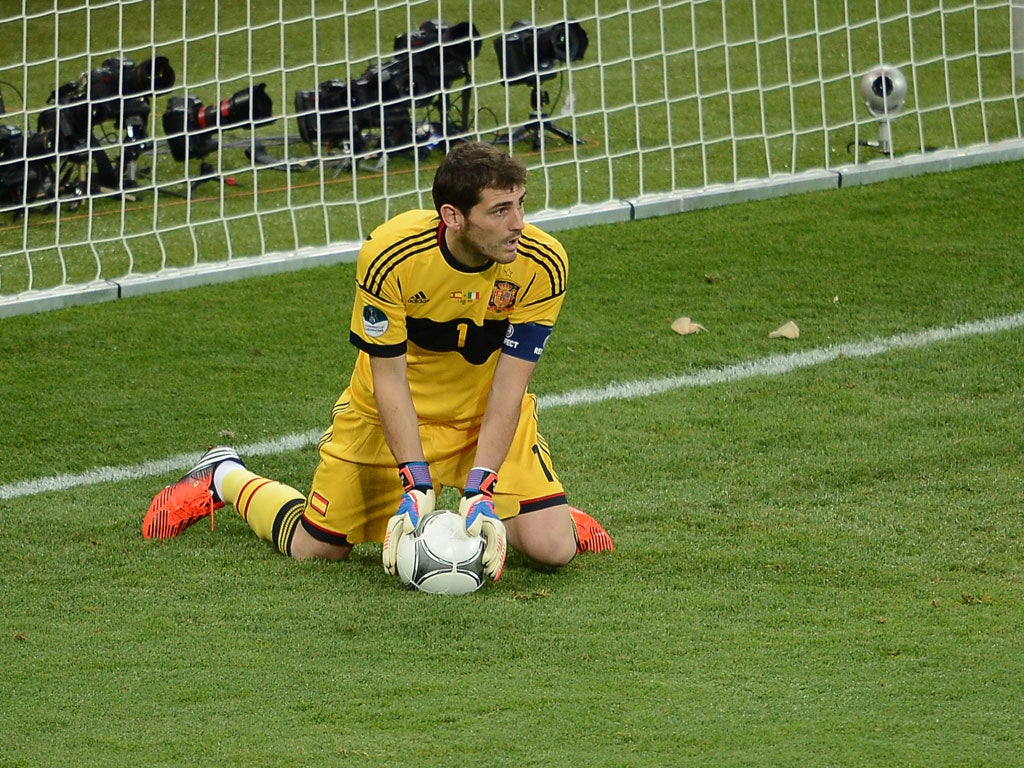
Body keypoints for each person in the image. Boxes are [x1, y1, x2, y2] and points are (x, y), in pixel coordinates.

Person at [142, 141, 612, 580]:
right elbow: (388, 377)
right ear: (453, 216)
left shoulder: (542, 262)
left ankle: (537, 517)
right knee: (318, 549)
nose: (519, 224)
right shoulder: (392, 255)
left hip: (480, 413)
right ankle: (224, 475)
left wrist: (483, 485)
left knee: (554, 550)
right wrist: (415, 481)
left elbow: (511, 385)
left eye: (521, 204)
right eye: (500, 210)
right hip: (387, 413)